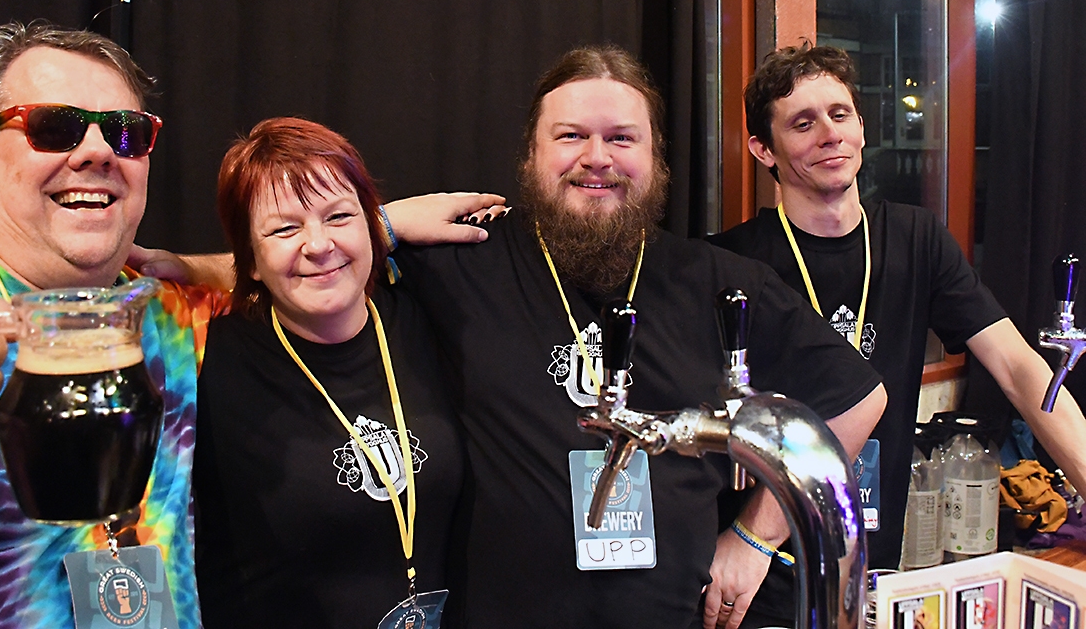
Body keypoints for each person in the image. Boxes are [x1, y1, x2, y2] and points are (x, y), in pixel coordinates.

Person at [0, 21, 501, 629]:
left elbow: (284, 268)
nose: (97, 151)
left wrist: (377, 226)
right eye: (54, 127)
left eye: (125, 133)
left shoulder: (175, 314)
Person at [390, 45, 888, 627]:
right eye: (571, 136)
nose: (596, 158)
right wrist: (385, 225)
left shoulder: (718, 281)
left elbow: (858, 399)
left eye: (622, 139)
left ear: (655, 157)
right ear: (531, 153)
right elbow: (311, 266)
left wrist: (754, 538)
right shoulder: (464, 262)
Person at [708, 43, 1086, 628]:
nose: (829, 135)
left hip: (871, 567)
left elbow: (1018, 367)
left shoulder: (916, 239)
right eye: (802, 124)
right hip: (758, 576)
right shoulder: (731, 262)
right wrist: (748, 540)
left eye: (840, 114)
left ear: (862, 126)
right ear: (763, 149)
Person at [192, 118, 465, 627]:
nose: (318, 245)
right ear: (249, 261)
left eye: (338, 216)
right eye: (284, 228)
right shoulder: (206, 359)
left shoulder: (429, 318)